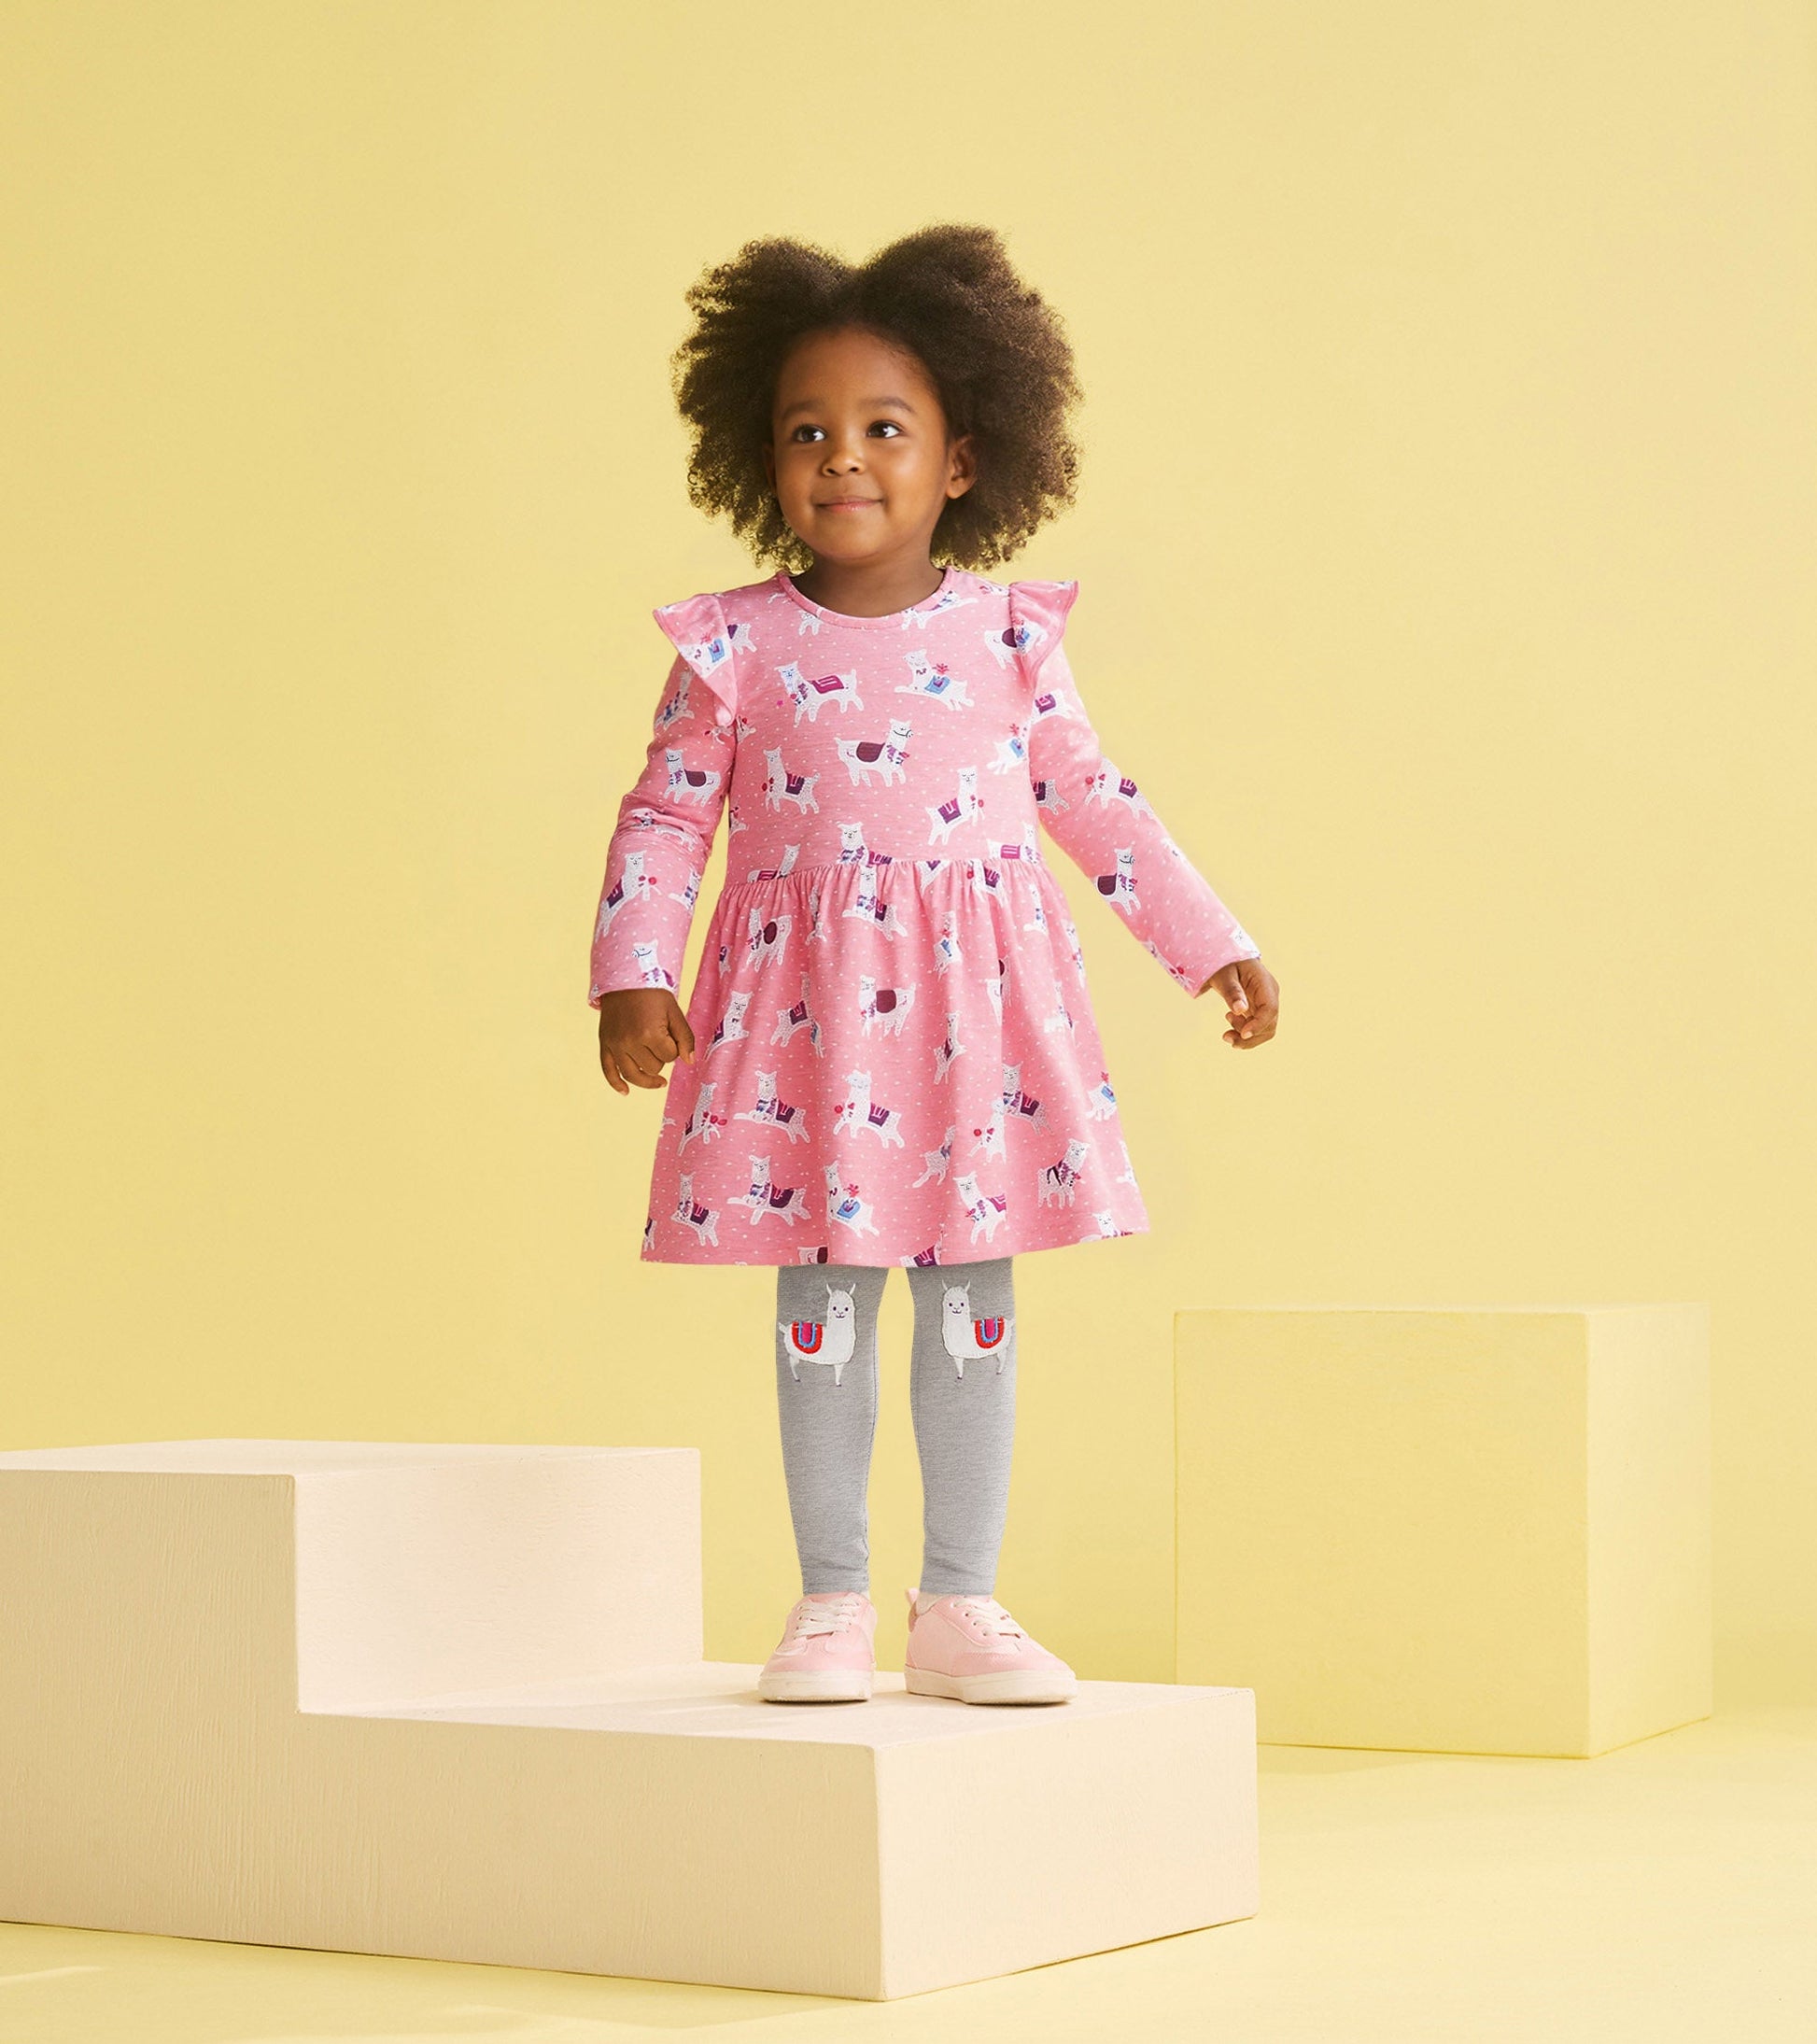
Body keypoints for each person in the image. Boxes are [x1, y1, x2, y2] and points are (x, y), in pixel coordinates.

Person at [588, 224, 1280, 1710]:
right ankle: (831, 1592)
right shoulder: (731, 647)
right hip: (803, 1042)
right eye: (807, 432)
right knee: (820, 1315)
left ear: (963, 457)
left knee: (974, 1309)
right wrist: (633, 969)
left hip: (972, 1044)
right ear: (756, 457)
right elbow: (663, 818)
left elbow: (1093, 803)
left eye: (883, 428)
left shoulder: (1008, 637)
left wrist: (1209, 941)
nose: (844, 457)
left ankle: (958, 1595)